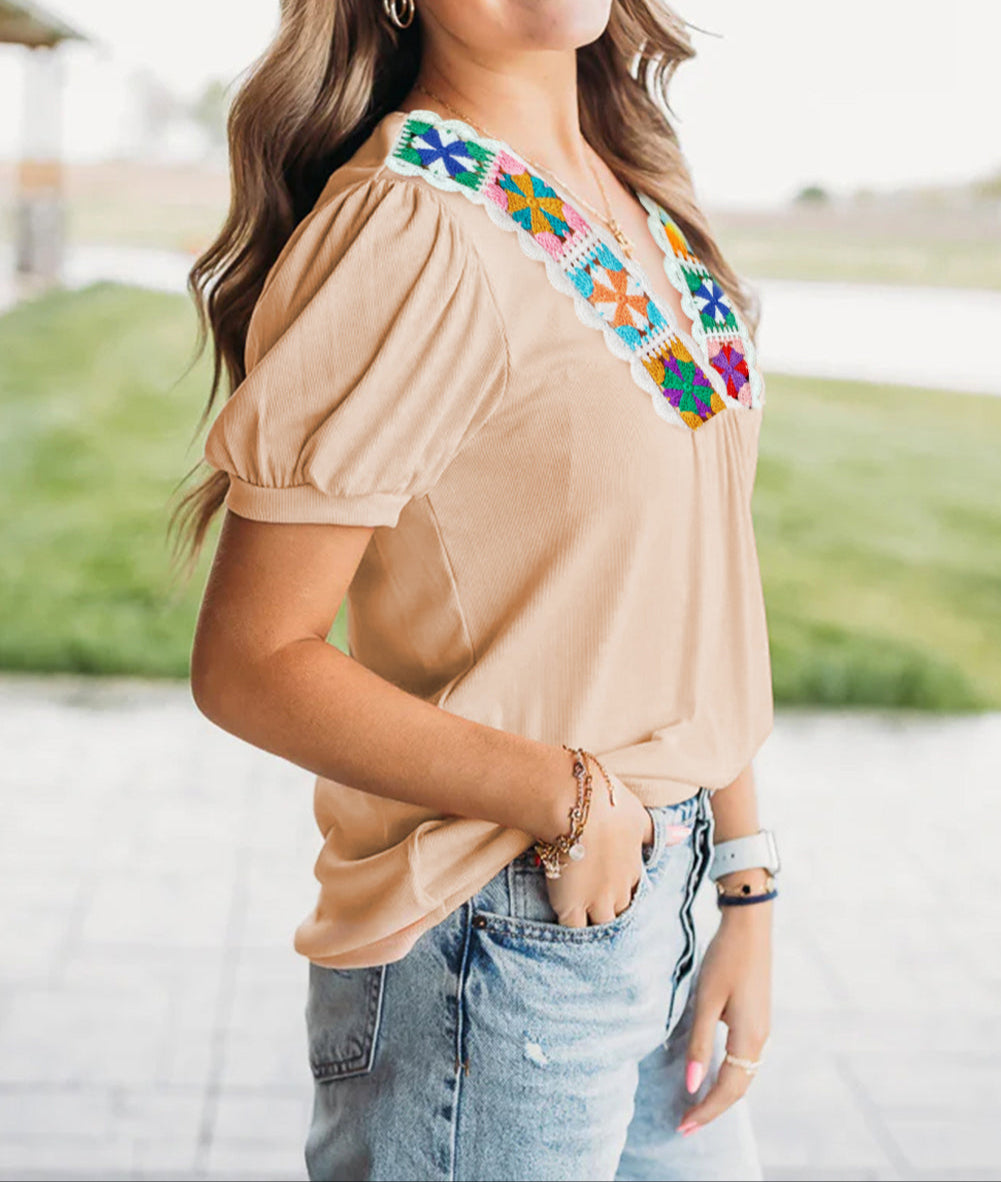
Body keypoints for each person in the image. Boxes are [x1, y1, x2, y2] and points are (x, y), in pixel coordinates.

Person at [174, 1, 782, 1178]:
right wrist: (562, 800)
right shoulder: (412, 226)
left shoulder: (639, 203)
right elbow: (250, 660)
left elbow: (699, 572)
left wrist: (744, 882)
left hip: (659, 903)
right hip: (495, 942)